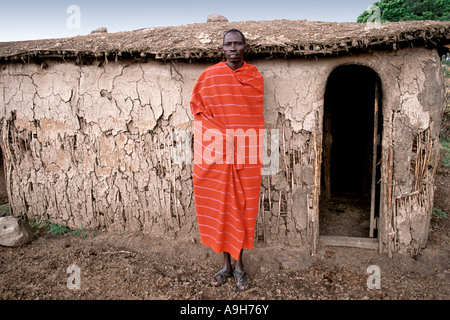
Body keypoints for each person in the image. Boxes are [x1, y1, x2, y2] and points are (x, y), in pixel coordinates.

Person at [190, 29, 265, 291]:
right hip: (217, 155)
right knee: (221, 207)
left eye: (238, 43)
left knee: (244, 210)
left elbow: (252, 119)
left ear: (245, 47)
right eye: (228, 44)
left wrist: (236, 137)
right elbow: (197, 109)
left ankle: (240, 266)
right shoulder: (209, 77)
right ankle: (225, 265)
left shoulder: (254, 78)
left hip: (247, 155)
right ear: (222, 49)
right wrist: (221, 136)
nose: (233, 48)